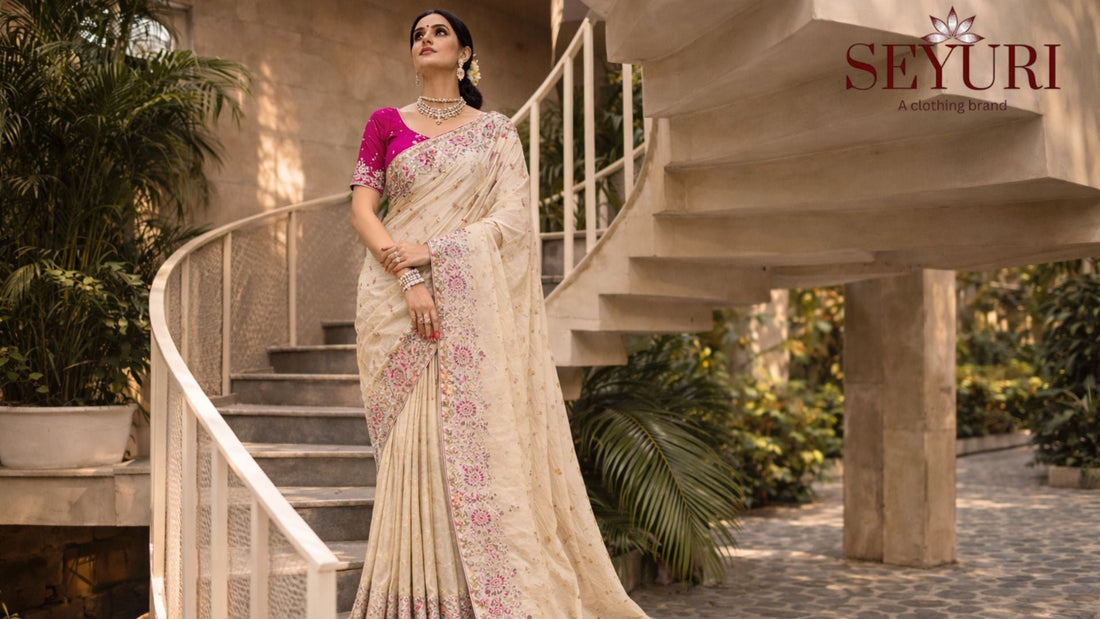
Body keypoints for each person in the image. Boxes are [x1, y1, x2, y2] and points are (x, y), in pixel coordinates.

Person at [345, 8, 650, 619]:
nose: (425, 40)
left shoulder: (496, 135)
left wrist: (437, 251)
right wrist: (408, 277)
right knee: (413, 456)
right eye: (417, 34)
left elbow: (512, 222)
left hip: (467, 309)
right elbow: (362, 212)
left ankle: (471, 602)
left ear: (465, 53)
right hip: (394, 305)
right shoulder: (385, 124)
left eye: (439, 32)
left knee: (464, 452)